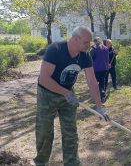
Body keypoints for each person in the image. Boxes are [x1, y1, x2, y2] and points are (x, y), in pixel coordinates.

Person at [34, 26, 110, 166]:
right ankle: (40, 162)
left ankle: (71, 163)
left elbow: (92, 81)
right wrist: (66, 93)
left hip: (68, 94)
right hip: (47, 94)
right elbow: (44, 79)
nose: (89, 45)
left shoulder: (85, 55)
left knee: (70, 133)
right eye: (86, 42)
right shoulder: (55, 49)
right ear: (76, 39)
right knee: (45, 132)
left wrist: (99, 106)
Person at [92, 37, 109, 102]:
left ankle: (103, 94)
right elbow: (107, 58)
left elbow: (89, 56)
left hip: (97, 68)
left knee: (95, 83)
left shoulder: (95, 48)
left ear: (95, 42)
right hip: (104, 68)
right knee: (102, 82)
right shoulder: (106, 48)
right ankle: (102, 97)